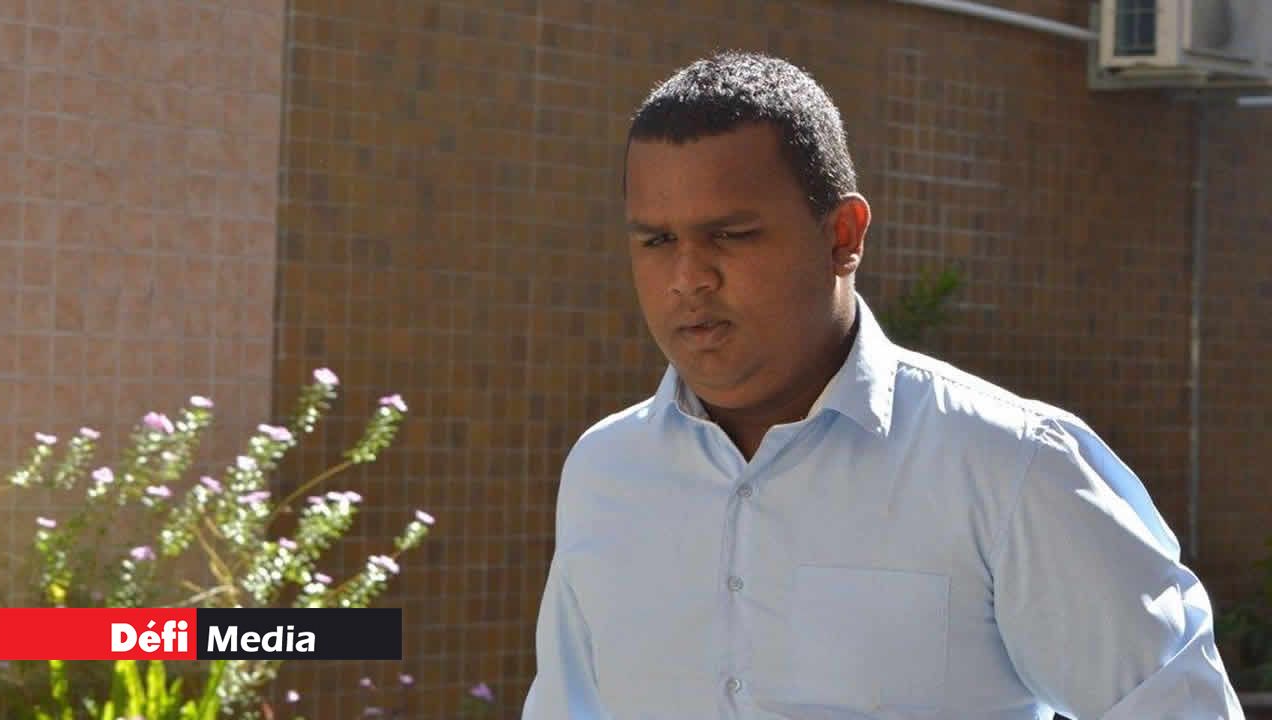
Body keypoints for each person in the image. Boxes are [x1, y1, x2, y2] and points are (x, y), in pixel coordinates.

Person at [522, 51, 1242, 719]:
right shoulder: (604, 472)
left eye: (731, 235)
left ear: (844, 235)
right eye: (656, 240)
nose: (688, 278)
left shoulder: (1008, 466)